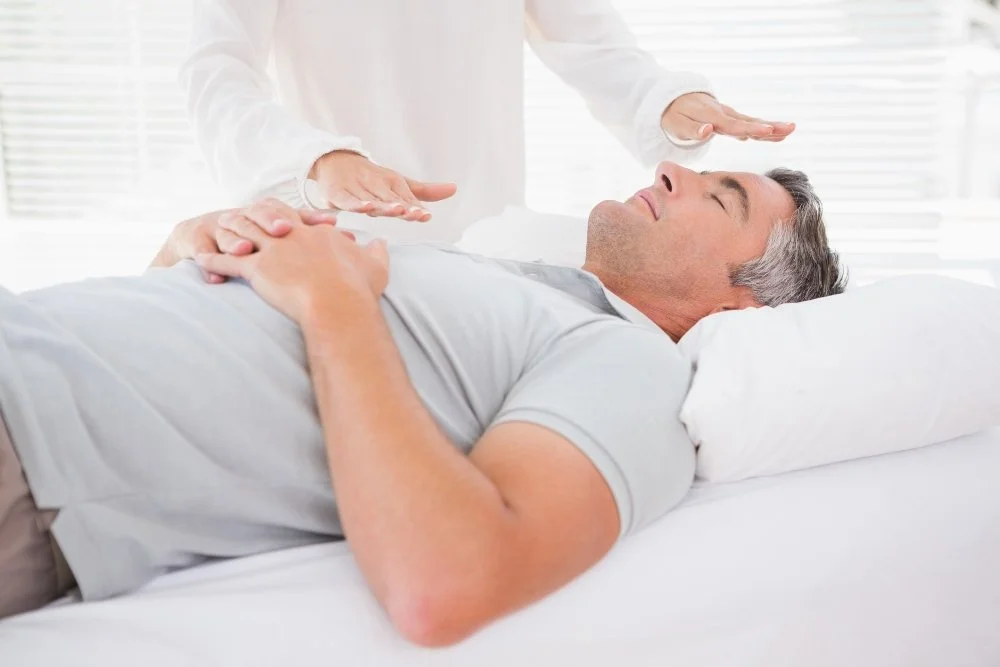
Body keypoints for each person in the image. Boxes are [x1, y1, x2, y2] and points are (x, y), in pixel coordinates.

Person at [0, 162, 843, 645]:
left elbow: (447, 584)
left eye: (718, 196)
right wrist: (191, 248)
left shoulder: (635, 369)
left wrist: (334, 301)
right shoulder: (520, 283)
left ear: (740, 309)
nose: (671, 169)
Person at [181, 0, 796, 243]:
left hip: (485, 238)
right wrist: (316, 159)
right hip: (331, 233)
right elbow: (215, 73)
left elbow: (591, 44)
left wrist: (666, 102)